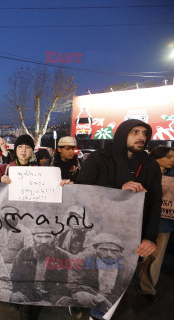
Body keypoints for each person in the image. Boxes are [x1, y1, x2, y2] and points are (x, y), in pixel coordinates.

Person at [76, 119, 162, 320]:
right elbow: (82, 193)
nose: (142, 137)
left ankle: (98, 316)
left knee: (114, 283)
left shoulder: (150, 166)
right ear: (123, 134)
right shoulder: (98, 159)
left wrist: (150, 237)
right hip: (95, 233)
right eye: (135, 132)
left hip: (128, 237)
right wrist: (118, 192)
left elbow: (155, 203)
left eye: (144, 133)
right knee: (88, 277)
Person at [138, 146, 174, 299]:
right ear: (156, 158)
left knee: (155, 258)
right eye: (168, 157)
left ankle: (147, 287)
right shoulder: (142, 173)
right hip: (141, 222)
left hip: (164, 224)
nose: (172, 160)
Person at [69, 233, 134, 312]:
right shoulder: (84, 260)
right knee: (83, 296)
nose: (109, 254)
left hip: (112, 299)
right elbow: (73, 284)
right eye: (104, 249)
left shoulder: (126, 268)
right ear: (96, 249)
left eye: (114, 251)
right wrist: (98, 296)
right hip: (91, 295)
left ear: (120, 253)